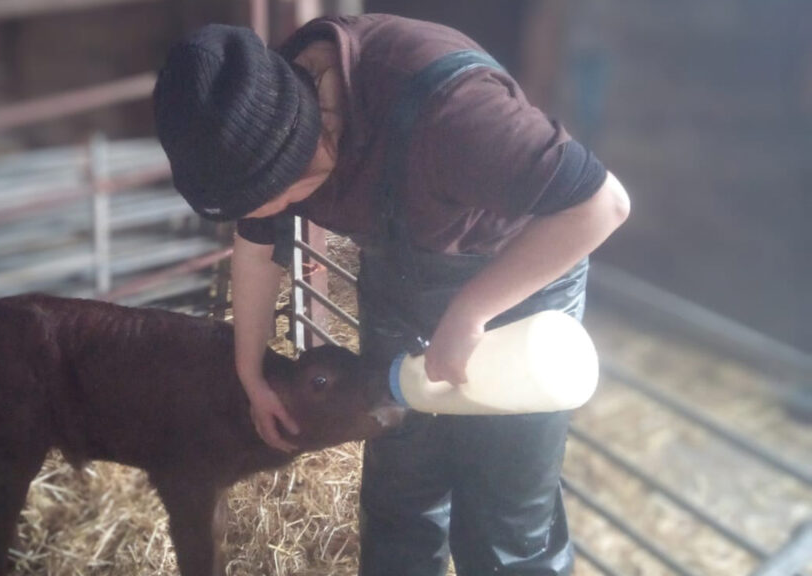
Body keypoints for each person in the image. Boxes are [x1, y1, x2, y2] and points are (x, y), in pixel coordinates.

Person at [153, 14, 630, 576]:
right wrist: (252, 376)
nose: (262, 218)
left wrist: (472, 312)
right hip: (402, 276)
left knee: (505, 511)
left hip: (519, 280)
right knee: (402, 482)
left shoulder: (454, 114)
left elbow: (602, 205)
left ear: (309, 148)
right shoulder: (263, 111)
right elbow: (256, 248)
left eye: (269, 202)